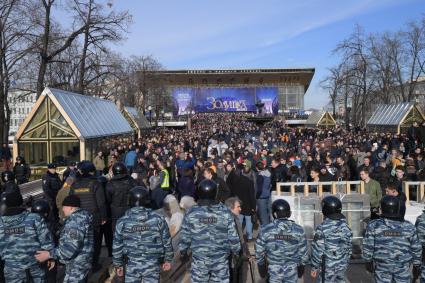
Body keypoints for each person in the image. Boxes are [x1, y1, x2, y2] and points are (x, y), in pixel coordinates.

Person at [179, 179, 241, 282]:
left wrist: (183, 252)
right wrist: (236, 252)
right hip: (220, 260)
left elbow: (185, 236)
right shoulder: (225, 212)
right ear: (215, 193)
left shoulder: (191, 213)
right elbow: (233, 237)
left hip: (200, 261)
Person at [112, 186, 173, 282]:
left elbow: (117, 246)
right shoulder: (158, 219)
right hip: (152, 264)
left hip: (131, 264)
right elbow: (167, 241)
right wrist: (168, 259)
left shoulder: (122, 221)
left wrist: (118, 264)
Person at [35, 195, 94, 282]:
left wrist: (49, 254)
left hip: (76, 265)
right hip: (82, 262)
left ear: (71, 207)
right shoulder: (83, 216)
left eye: (64, 207)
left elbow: (69, 249)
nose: (62, 210)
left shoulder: (75, 222)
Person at [363, 195, 421, 282]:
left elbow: (368, 247)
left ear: (382, 209)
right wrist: (417, 265)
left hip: (382, 267)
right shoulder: (409, 226)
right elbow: (416, 248)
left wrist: (368, 262)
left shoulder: (373, 225)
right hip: (403, 268)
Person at [0, 190, 54, 282]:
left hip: (12, 269)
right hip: (35, 266)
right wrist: (50, 257)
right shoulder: (34, 218)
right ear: (21, 203)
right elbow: (46, 241)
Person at [256, 199, 309, 283]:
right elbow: (304, 254)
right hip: (292, 270)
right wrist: (301, 269)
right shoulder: (298, 230)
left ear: (274, 213)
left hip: (273, 271)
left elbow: (259, 253)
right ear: (289, 213)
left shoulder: (265, 230)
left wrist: (262, 270)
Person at [69, 160, 107, 272]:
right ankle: (93, 264)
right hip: (93, 218)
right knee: (95, 241)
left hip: (78, 218)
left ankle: (81, 264)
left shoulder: (74, 185)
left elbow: (70, 201)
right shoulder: (96, 184)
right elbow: (101, 202)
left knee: (80, 241)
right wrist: (103, 217)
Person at [310, 196, 352, 282]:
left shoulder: (322, 228)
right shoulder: (346, 226)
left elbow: (317, 250)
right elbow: (349, 248)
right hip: (342, 266)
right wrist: (345, 262)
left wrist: (314, 267)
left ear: (325, 210)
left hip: (327, 268)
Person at [31, 199, 61, 283]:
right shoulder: (52, 224)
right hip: (49, 257)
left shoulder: (29, 225)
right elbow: (60, 236)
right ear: (46, 213)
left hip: (34, 258)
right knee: (51, 278)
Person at [225, 197, 252, 283]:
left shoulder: (235, 218)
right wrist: (239, 255)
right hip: (233, 258)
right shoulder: (229, 221)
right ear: (230, 207)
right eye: (238, 207)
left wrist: (246, 253)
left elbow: (241, 238)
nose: (240, 209)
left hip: (238, 257)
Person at [226, 164, 256, 240]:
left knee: (239, 220)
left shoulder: (235, 181)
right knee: (248, 220)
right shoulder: (249, 181)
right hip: (248, 204)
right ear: (242, 171)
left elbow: (232, 192)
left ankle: (239, 236)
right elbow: (252, 196)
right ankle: (249, 236)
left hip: (238, 203)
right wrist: (253, 206)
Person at [106, 162, 137, 230]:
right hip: (129, 210)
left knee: (117, 232)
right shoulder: (132, 182)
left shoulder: (110, 184)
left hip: (116, 212)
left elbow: (108, 200)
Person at [256, 162, 271, 226]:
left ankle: (266, 232)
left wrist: (256, 196)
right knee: (268, 214)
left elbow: (259, 189)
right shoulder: (268, 174)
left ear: (257, 168)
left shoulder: (260, 176)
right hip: (267, 195)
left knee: (263, 216)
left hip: (261, 197)